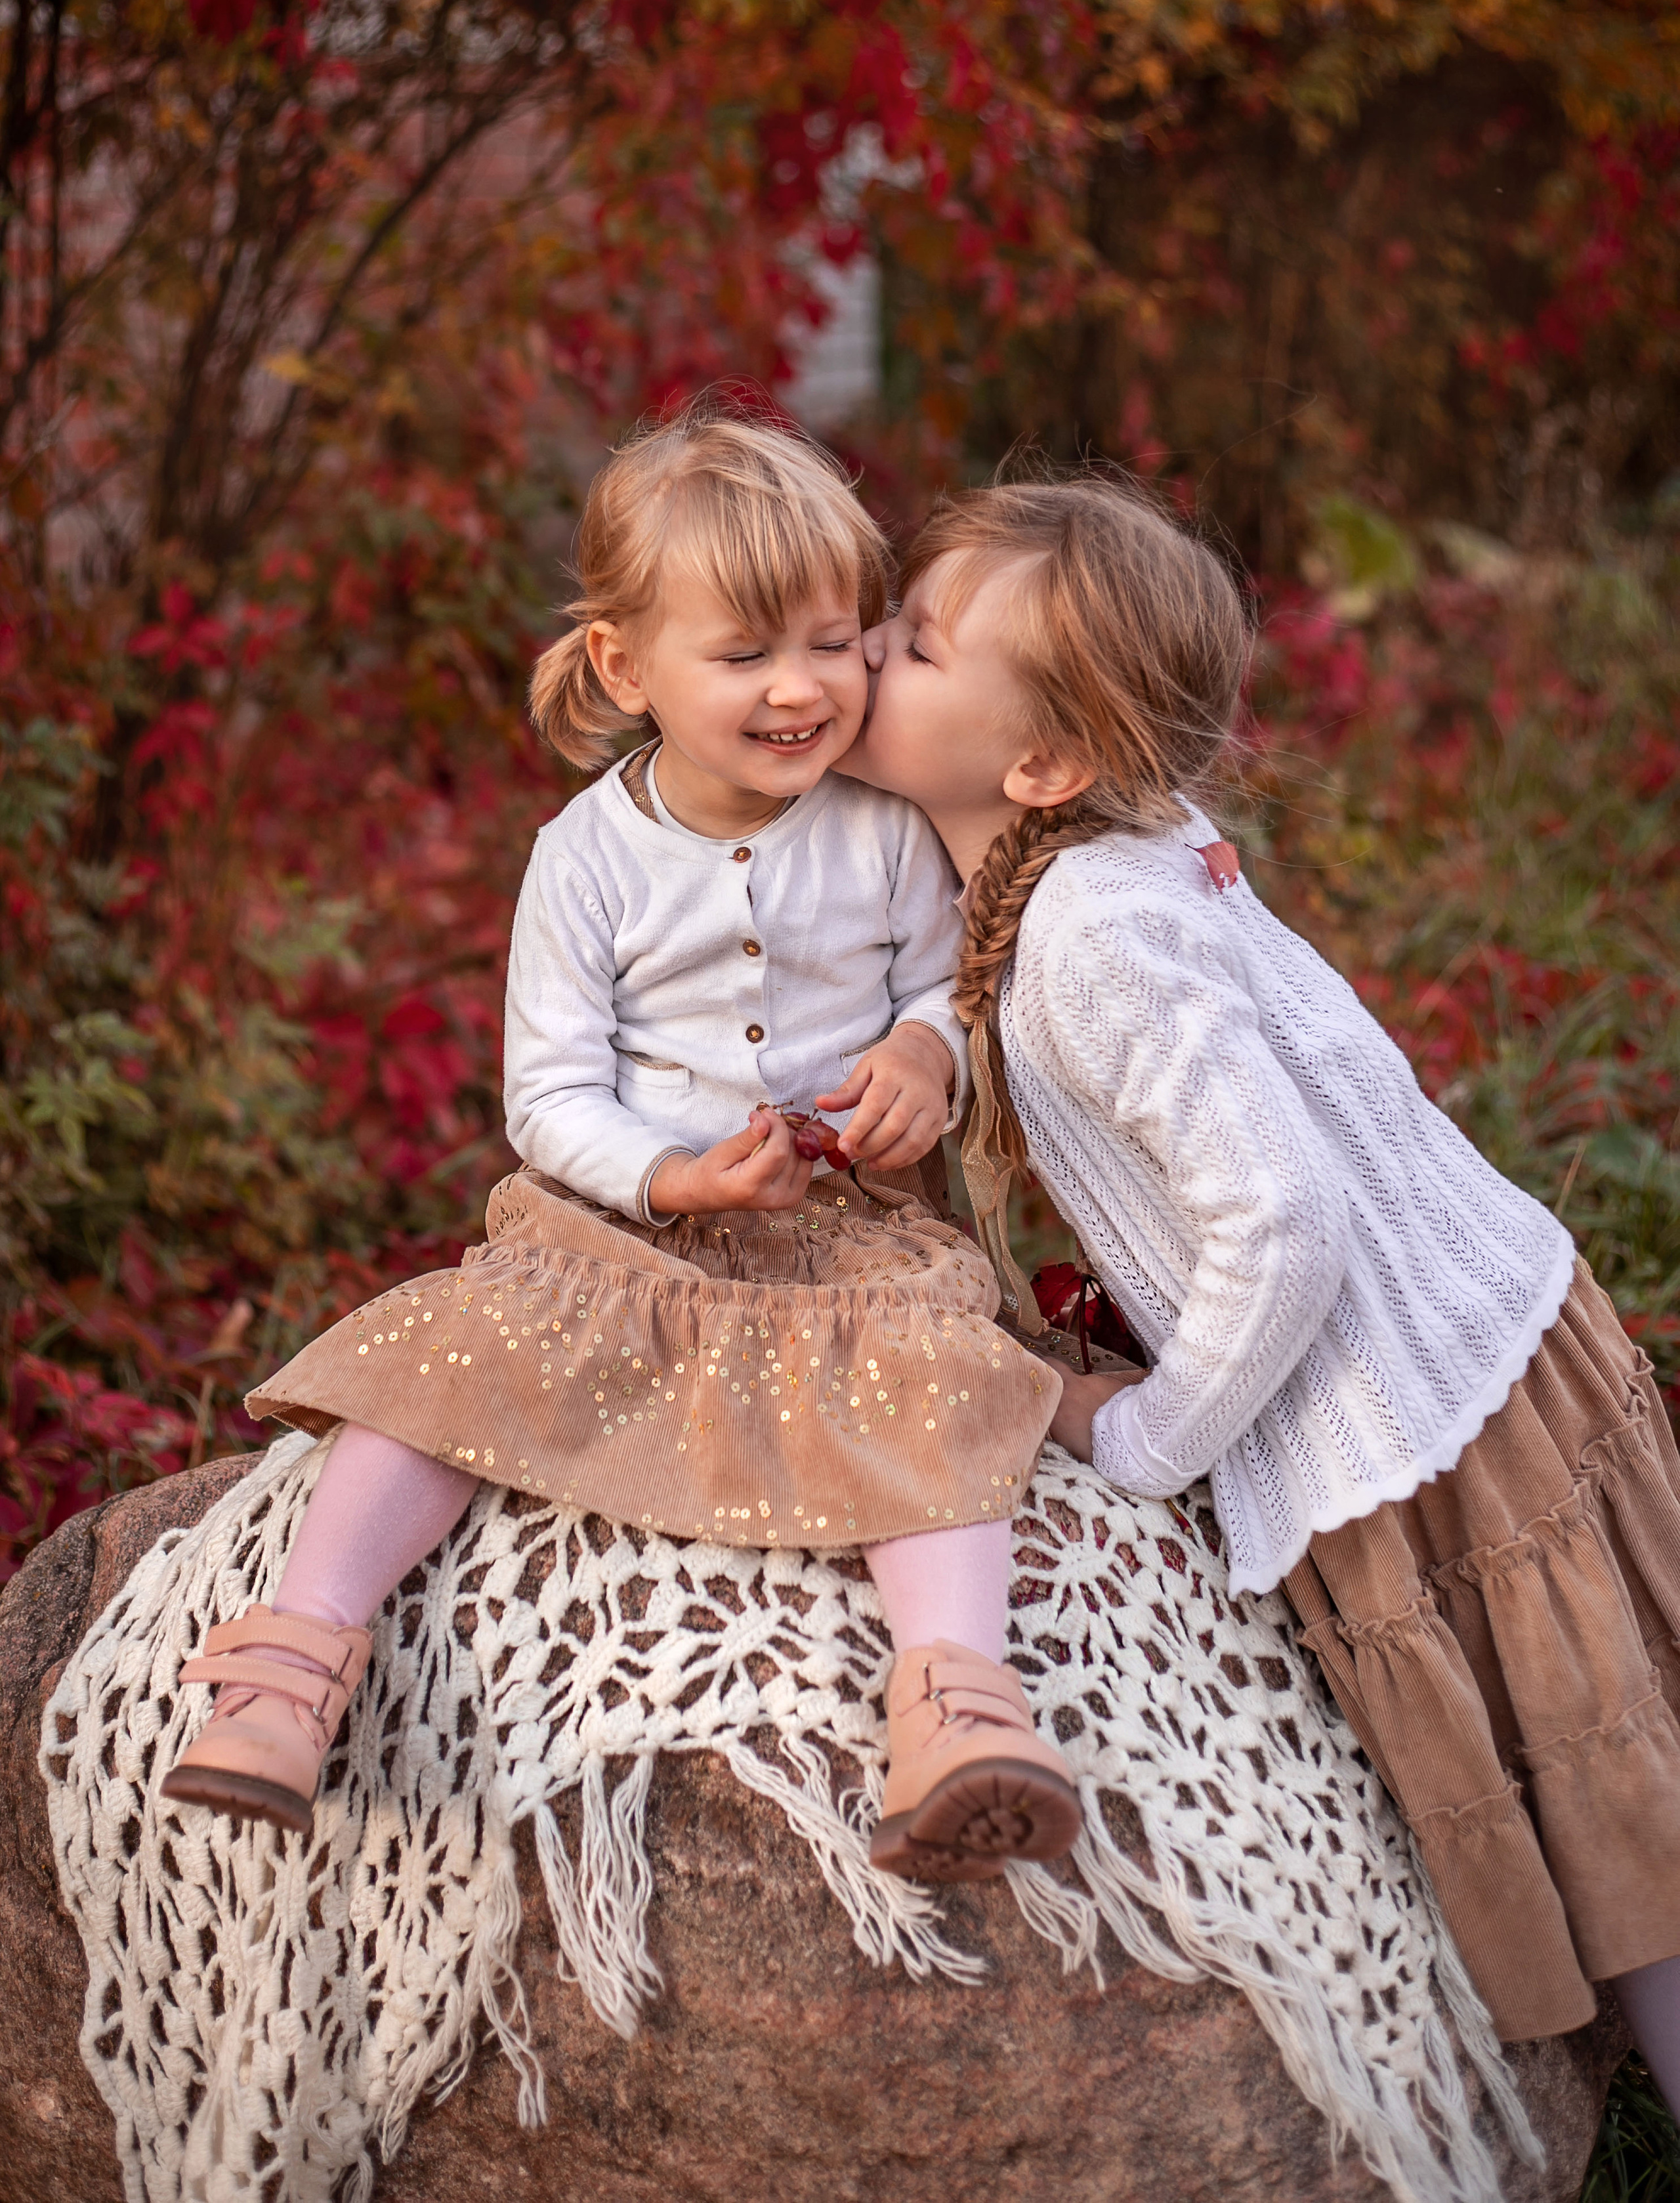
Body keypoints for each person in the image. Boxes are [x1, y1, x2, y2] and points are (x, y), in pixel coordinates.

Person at [160, 408, 1076, 1885]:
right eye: (744, 656)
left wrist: (926, 1052)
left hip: (844, 1231)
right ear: (623, 667)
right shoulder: (585, 858)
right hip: (634, 1224)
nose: (800, 690)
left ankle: (955, 1706)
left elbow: (947, 984)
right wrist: (667, 1174)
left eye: (834, 642)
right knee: (450, 1367)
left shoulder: (886, 827)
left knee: (938, 1384)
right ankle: (294, 1661)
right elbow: (548, 1096)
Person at [840, 471, 1680, 2078]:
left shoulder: (1089, 936)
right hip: (1488, 1327)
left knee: (1610, 1792)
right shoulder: (1121, 841)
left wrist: (1159, 1435)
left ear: (1039, 763)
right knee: (1625, 1740)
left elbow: (1279, 1217)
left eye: (916, 644)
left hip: (1406, 1426)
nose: (869, 652)